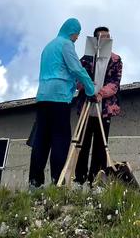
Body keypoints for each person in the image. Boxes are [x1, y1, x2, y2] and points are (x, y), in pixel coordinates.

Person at [28, 18, 96, 188]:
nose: (77, 38)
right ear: (72, 32)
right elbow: (76, 68)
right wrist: (90, 88)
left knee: (41, 140)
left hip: (43, 96)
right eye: (77, 34)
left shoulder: (48, 46)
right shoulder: (66, 45)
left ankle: (34, 183)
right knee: (60, 138)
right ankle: (57, 181)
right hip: (59, 97)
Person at [74, 26, 123, 186]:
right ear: (95, 40)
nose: (106, 39)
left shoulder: (116, 60)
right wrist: (87, 89)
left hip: (104, 109)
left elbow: (115, 83)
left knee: (101, 148)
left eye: (108, 36)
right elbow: (78, 80)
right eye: (102, 37)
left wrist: (100, 93)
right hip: (86, 110)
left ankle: (94, 181)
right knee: (82, 146)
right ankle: (79, 180)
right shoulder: (86, 59)